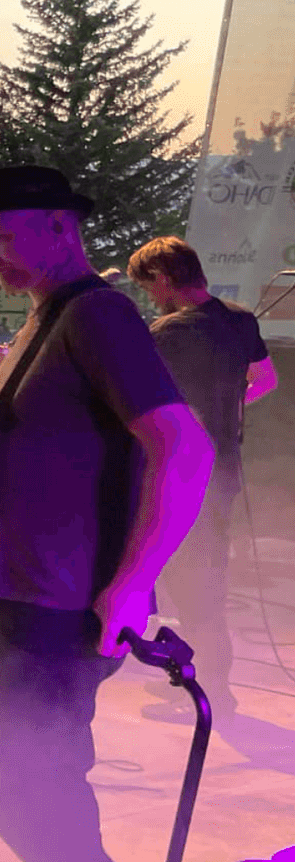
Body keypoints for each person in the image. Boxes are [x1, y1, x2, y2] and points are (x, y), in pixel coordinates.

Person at [0, 168, 213, 862]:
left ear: (63, 227)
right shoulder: (46, 320)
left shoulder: (98, 312)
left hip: (66, 613)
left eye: (1, 235)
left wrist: (132, 583)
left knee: (16, 785)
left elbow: (184, 446)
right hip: (28, 606)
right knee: (41, 790)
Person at [125, 234, 277, 719]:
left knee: (192, 585)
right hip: (223, 470)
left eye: (149, 287)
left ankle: (212, 694)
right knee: (205, 580)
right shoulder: (240, 320)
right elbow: (266, 381)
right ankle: (198, 682)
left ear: (163, 279)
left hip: (180, 475)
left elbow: (145, 407)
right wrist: (226, 413)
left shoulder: (167, 333)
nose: (151, 297)